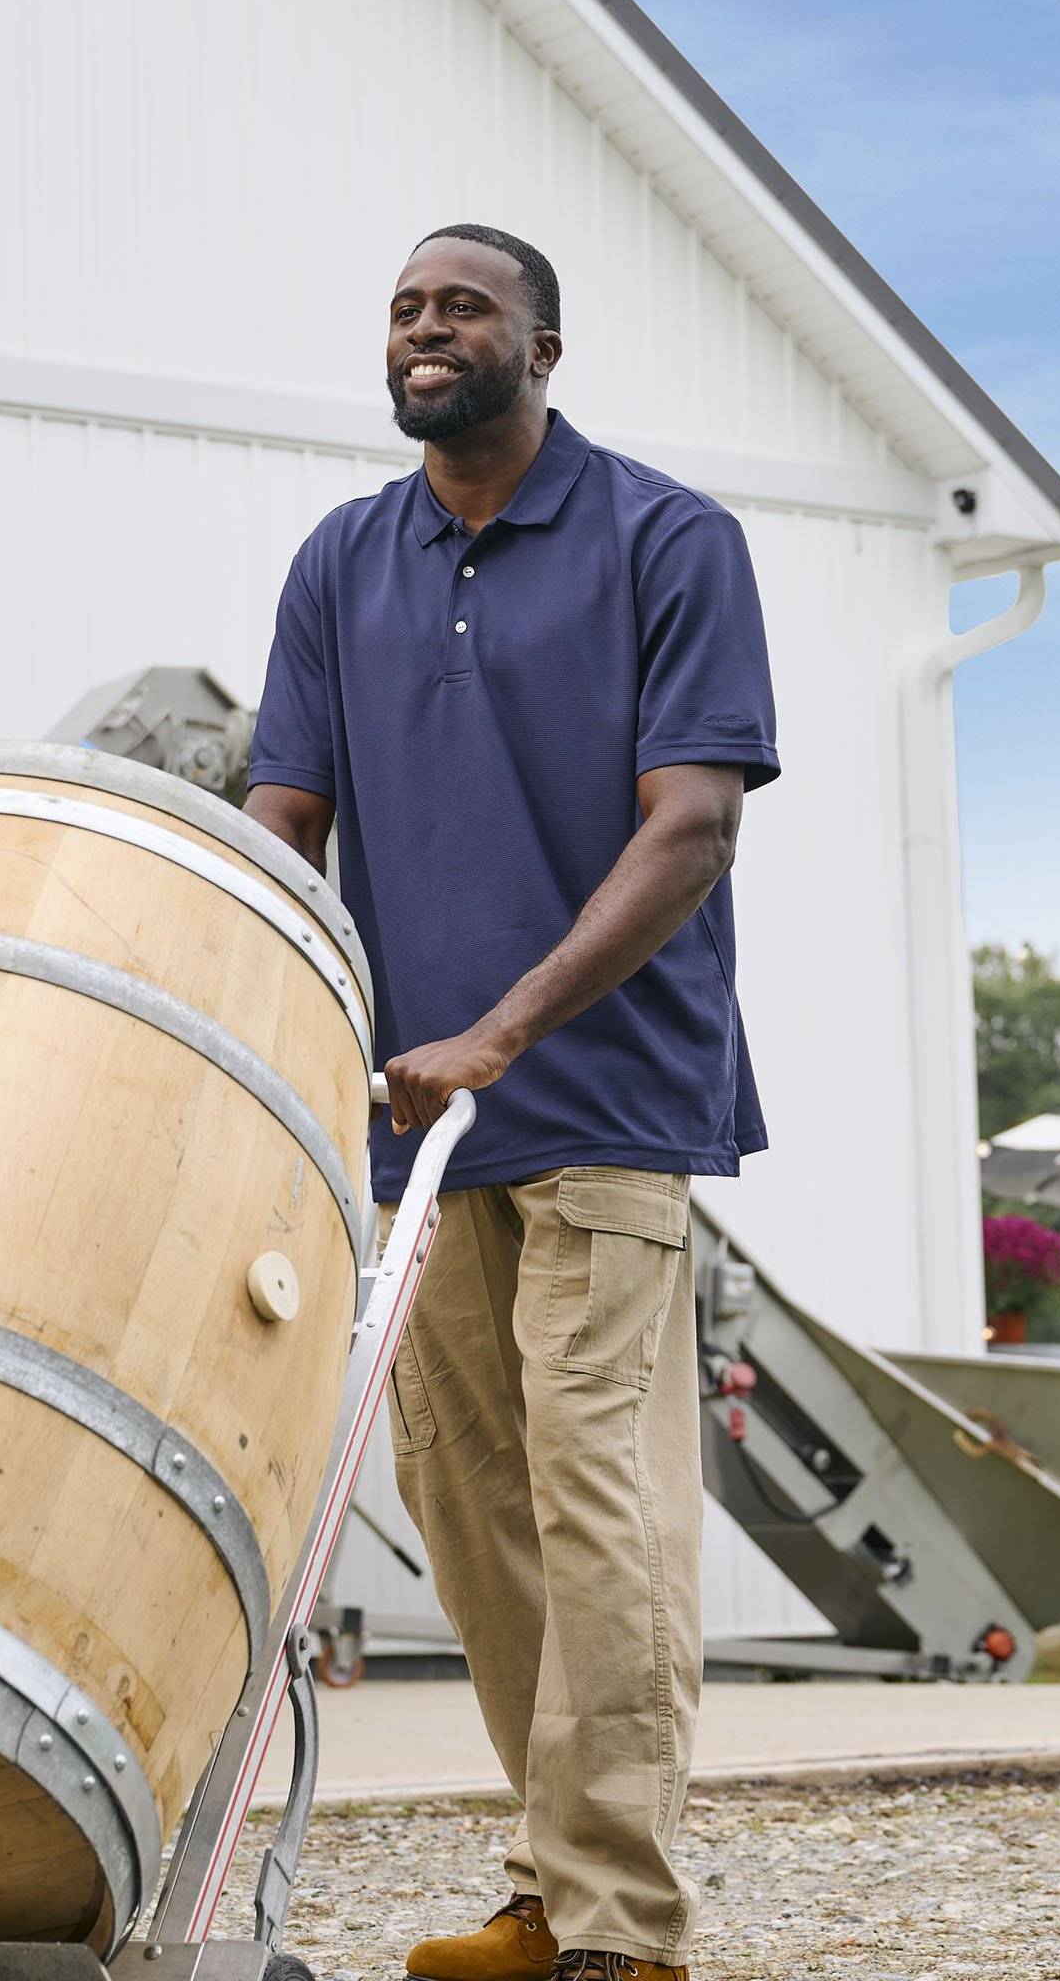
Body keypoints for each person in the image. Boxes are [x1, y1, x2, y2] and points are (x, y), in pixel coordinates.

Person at [245, 223, 777, 1981]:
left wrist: (505, 1028)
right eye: (401, 306)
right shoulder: (343, 561)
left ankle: (627, 1929)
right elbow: (286, 822)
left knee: (593, 1493)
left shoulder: (667, 541)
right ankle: (553, 1890)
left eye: (461, 306)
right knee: (472, 1510)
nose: (423, 329)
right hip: (418, 1121)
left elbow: (689, 827)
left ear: (545, 345)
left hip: (611, 1096)